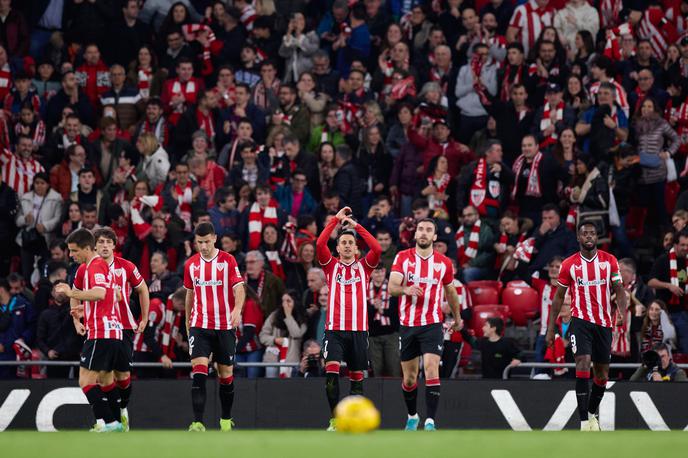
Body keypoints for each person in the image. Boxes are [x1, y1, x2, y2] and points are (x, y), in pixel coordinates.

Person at [546, 221, 628, 431]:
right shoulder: (569, 264)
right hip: (580, 321)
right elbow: (558, 298)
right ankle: (584, 422)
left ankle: (591, 413)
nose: (589, 236)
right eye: (585, 234)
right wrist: (551, 328)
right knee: (582, 363)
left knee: (601, 375)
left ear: (597, 237)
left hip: (604, 323)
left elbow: (619, 289)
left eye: (592, 233)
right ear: (578, 238)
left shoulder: (609, 261)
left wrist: (621, 312)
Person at [388, 218, 463, 431]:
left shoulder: (444, 263)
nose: (423, 233)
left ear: (434, 236)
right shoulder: (402, 257)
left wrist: (457, 318)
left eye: (428, 230)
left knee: (431, 369)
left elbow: (451, 292)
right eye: (420, 229)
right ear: (415, 234)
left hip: (432, 323)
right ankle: (413, 416)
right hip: (408, 325)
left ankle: (430, 421)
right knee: (410, 379)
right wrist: (406, 290)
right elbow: (392, 287)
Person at [316, 206, 381, 431]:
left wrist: (355, 226)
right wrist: (335, 220)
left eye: (350, 243)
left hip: (358, 331)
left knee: (356, 379)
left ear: (356, 249)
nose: (346, 245)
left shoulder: (364, 267)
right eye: (343, 243)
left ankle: (355, 422)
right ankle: (335, 419)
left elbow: (377, 248)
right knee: (332, 374)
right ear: (337, 247)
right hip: (334, 330)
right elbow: (319, 244)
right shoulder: (330, 266)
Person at [54, 229, 125, 432]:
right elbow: (116, 297)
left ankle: (109, 423)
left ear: (87, 248)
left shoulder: (94, 267)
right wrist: (86, 309)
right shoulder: (101, 267)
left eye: (74, 251)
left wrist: (71, 293)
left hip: (101, 332)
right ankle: (118, 422)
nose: (71, 255)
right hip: (112, 331)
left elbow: (100, 293)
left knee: (85, 381)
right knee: (104, 380)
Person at [183, 222, 245, 432]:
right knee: (199, 371)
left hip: (225, 326)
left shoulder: (228, 260)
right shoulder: (191, 264)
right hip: (200, 325)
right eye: (199, 242)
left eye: (207, 241)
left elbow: (239, 288)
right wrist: (187, 322)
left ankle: (226, 419)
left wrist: (237, 309)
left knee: (226, 375)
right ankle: (198, 422)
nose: (203, 246)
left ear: (215, 239)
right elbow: (190, 295)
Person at [93, 227, 149, 431]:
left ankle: (123, 409)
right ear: (95, 246)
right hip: (98, 327)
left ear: (114, 246)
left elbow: (142, 289)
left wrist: (143, 317)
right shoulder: (87, 268)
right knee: (100, 375)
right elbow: (79, 292)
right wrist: (78, 318)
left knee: (122, 376)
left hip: (123, 326)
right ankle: (105, 420)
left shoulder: (126, 266)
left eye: (109, 242)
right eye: (101, 242)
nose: (105, 245)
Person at [648, 232, 688, 354]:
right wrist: (669, 286)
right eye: (682, 245)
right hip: (664, 312)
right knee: (664, 349)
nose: (685, 248)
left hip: (683, 312)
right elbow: (651, 282)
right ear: (675, 245)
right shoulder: (663, 260)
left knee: (685, 347)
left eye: (687, 245)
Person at [259, 290, 307, 378]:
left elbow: (296, 334)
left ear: (295, 302)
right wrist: (274, 340)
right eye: (283, 301)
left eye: (288, 301)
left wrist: (288, 316)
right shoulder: (274, 315)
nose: (284, 304)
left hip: (291, 360)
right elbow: (262, 336)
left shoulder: (302, 318)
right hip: (273, 359)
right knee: (271, 386)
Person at [367, 264, 400, 377]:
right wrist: (374, 308)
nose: (379, 274)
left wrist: (382, 310)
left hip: (391, 334)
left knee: (393, 367)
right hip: (372, 335)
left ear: (385, 271)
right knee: (377, 369)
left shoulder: (393, 288)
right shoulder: (365, 289)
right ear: (371, 273)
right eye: (376, 272)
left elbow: (397, 312)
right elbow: (363, 313)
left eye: (381, 271)